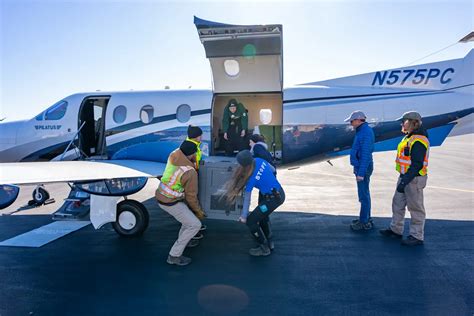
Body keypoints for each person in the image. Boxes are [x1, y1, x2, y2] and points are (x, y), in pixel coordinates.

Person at [380, 111, 430, 246]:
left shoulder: (418, 140)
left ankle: (416, 236)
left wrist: (405, 180)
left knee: (416, 208)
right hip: (405, 177)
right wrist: (403, 179)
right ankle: (396, 229)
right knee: (397, 204)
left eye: (404, 121)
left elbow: (417, 164)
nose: (402, 124)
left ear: (414, 123)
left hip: (414, 179)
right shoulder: (409, 137)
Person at [223, 150, 285, 257]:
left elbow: (247, 199)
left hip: (272, 200)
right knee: (263, 217)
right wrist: (267, 183)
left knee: (251, 221)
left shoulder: (251, 179)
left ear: (244, 165)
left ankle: (264, 248)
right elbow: (273, 169)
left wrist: (243, 216)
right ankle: (270, 243)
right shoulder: (259, 160)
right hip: (279, 193)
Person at [155, 140, 206, 266]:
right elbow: (191, 197)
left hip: (161, 194)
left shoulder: (174, 154)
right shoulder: (189, 171)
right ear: (191, 154)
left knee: (187, 219)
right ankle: (174, 256)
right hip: (170, 201)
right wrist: (199, 212)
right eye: (195, 153)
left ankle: (186, 240)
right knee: (195, 224)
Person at [344, 111, 375, 231]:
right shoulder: (362, 131)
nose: (351, 124)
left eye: (352, 121)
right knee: (365, 194)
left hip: (363, 168)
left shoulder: (365, 133)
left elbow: (366, 154)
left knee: (363, 196)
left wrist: (361, 173)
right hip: (362, 166)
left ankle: (364, 222)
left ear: (358, 120)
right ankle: (366, 218)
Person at [185, 125, 206, 239]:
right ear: (195, 137)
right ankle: (191, 230)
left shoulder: (195, 145)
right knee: (190, 201)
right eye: (200, 135)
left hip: (195, 173)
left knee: (194, 200)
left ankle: (195, 224)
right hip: (190, 176)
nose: (202, 137)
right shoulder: (189, 147)